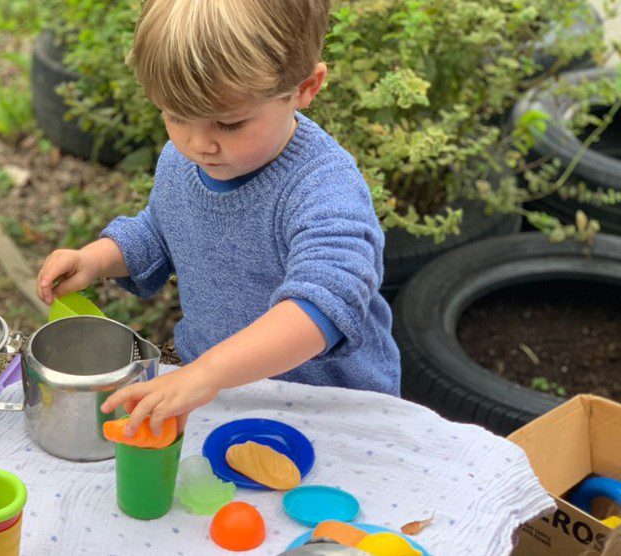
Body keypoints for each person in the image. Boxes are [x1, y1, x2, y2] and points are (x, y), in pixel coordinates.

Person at [36, 0, 400, 436]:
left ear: (305, 88)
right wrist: (96, 259)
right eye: (175, 116)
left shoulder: (323, 189)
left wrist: (207, 373)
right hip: (219, 394)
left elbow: (320, 308)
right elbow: (161, 230)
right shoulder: (183, 159)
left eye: (229, 124)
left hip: (328, 411)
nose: (199, 144)